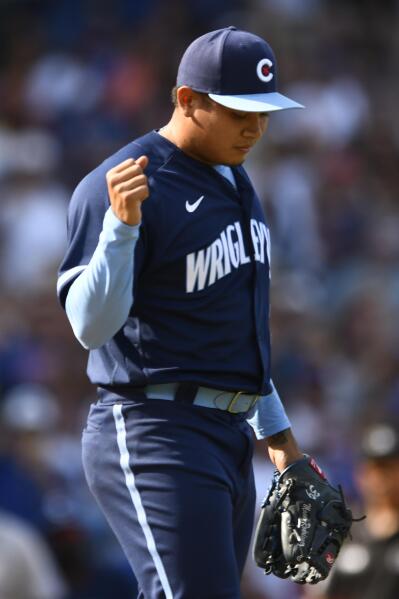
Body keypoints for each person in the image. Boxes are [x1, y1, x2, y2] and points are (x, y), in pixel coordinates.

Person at [57, 26, 307, 598]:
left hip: (227, 434)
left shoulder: (237, 181)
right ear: (187, 100)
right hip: (154, 429)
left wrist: (280, 438)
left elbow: (234, 332)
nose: (256, 127)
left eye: (264, 112)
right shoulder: (120, 183)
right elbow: (90, 327)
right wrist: (120, 230)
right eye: (239, 110)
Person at [309, 420, 399, 599]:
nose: (381, 477)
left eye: (389, 467)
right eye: (374, 467)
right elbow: (319, 594)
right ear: (360, 473)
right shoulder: (339, 531)